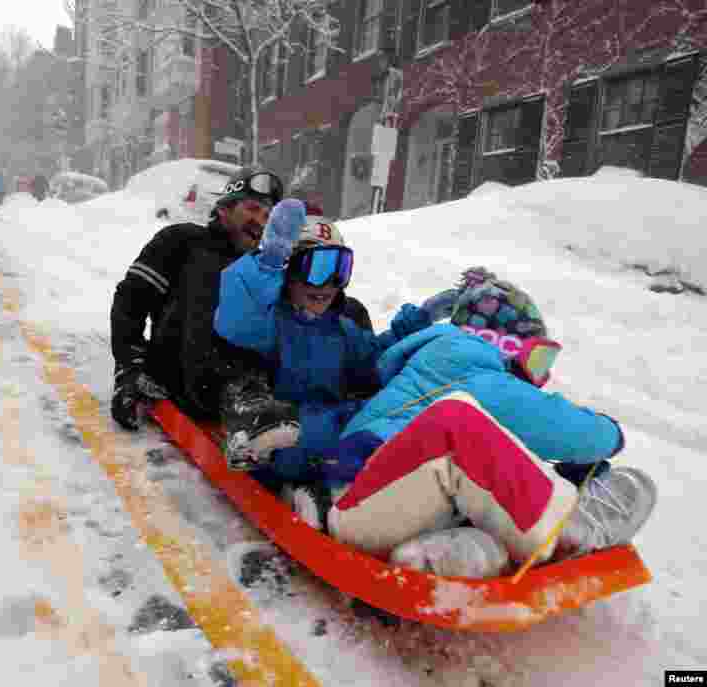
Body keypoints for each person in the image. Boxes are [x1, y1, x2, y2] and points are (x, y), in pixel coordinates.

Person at [291, 267, 657, 577]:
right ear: (503, 343)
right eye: (537, 359)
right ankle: (562, 532)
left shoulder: (442, 366)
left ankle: (449, 555)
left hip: (391, 502)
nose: (537, 377)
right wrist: (610, 432)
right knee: (458, 422)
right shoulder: (470, 365)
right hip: (358, 499)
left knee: (489, 460)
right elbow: (562, 429)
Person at [212, 200, 434, 479]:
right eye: (316, 268)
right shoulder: (267, 323)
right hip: (282, 439)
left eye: (338, 268)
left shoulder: (340, 328)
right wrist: (266, 268)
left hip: (335, 429)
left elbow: (374, 361)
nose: (328, 283)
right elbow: (237, 320)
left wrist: (408, 331)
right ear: (287, 272)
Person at [110, 167, 287, 431]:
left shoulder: (262, 267)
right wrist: (130, 366)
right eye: (252, 209)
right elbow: (131, 301)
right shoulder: (182, 241)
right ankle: (240, 393)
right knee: (218, 269)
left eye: (267, 216)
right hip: (179, 376)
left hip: (252, 385)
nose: (260, 222)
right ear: (225, 208)